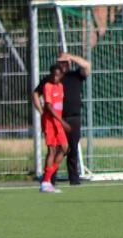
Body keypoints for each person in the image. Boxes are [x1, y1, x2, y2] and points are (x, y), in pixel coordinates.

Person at [33, 52, 92, 186]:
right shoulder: (51, 80)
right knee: (54, 149)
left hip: (73, 118)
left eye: (65, 62)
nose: (63, 65)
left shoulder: (75, 75)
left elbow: (87, 66)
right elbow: (36, 94)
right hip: (56, 120)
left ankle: (73, 180)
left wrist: (70, 56)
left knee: (71, 149)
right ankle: (49, 180)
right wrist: (42, 111)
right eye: (61, 62)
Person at [37, 64, 70, 193]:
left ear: (61, 76)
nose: (55, 77)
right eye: (53, 75)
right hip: (50, 122)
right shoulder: (47, 86)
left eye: (57, 75)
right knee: (52, 150)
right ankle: (46, 182)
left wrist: (61, 121)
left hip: (58, 122)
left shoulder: (60, 86)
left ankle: (47, 178)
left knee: (65, 148)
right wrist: (62, 121)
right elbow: (49, 107)